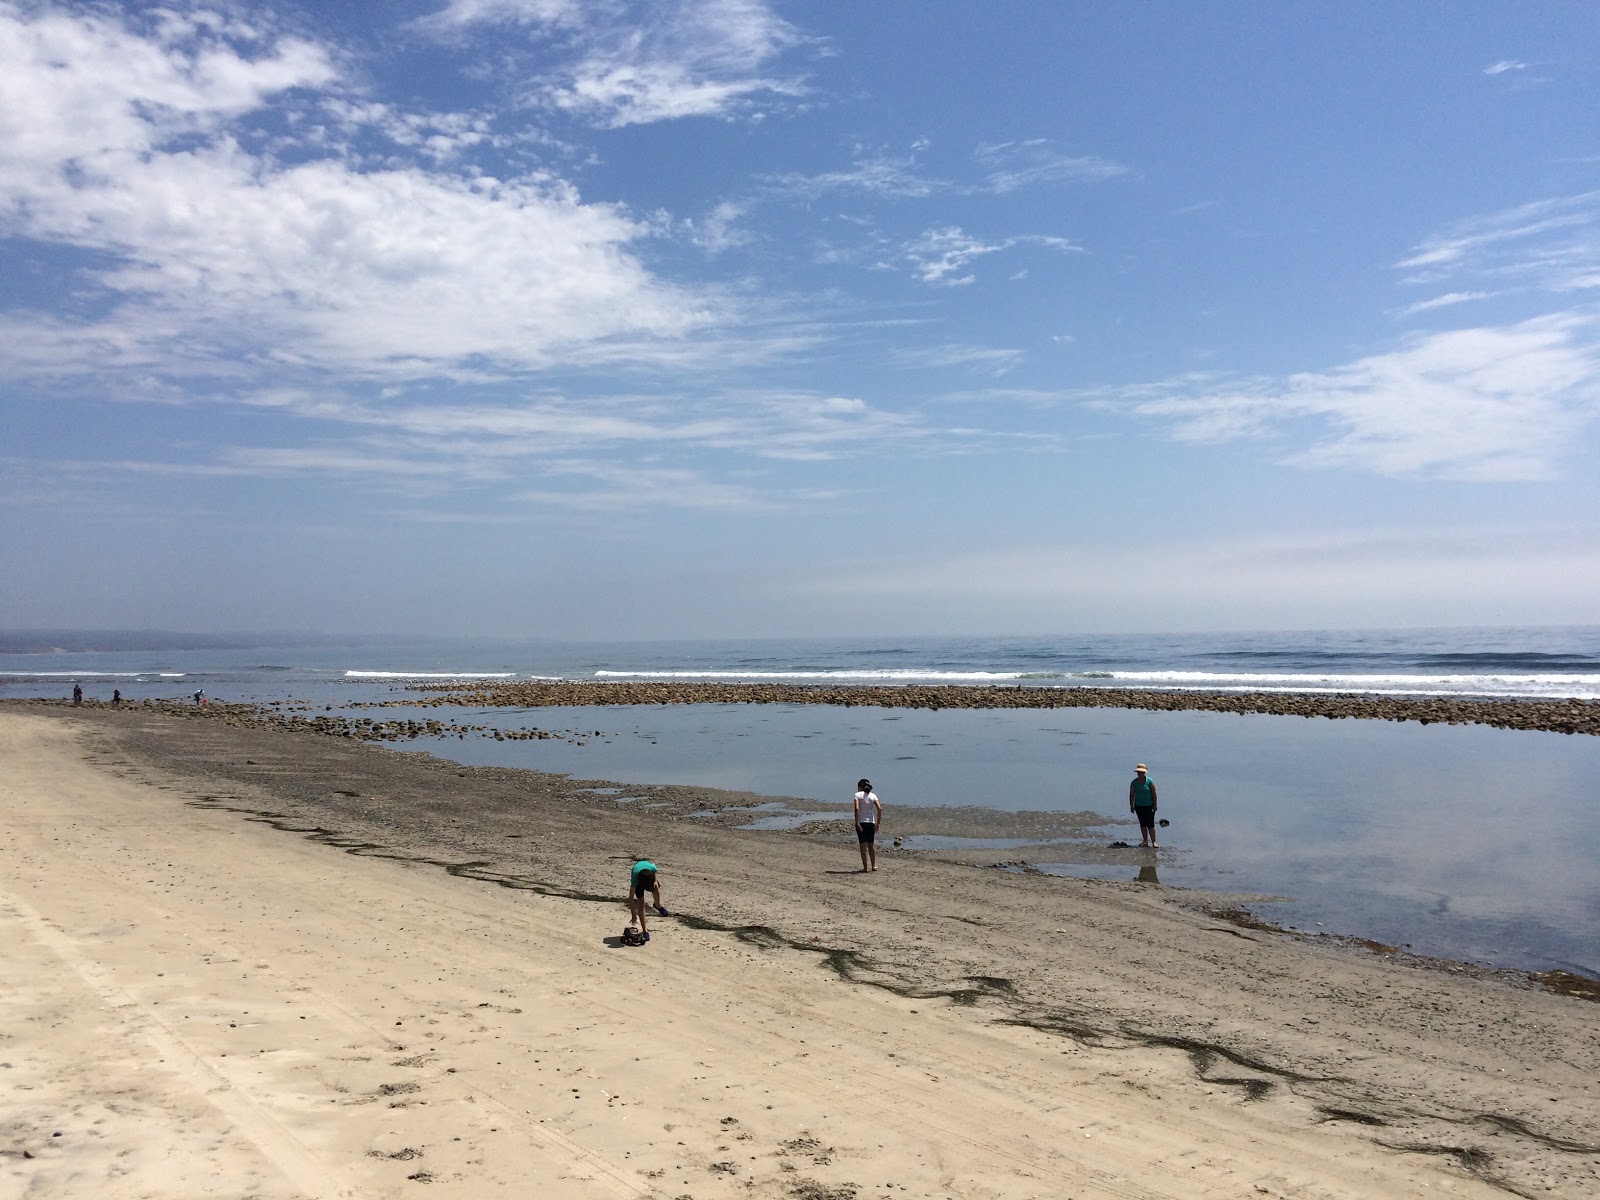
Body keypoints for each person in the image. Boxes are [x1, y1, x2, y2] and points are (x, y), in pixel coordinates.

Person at [626, 858, 667, 941]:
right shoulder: (635, 878)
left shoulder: (652, 868)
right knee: (641, 904)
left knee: (656, 890)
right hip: (640, 880)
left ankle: (657, 905)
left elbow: (655, 871)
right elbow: (631, 898)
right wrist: (633, 915)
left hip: (649, 877)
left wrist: (655, 881)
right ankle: (645, 931)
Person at [853, 778, 883, 872]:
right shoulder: (873, 795)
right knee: (871, 844)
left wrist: (856, 821)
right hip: (871, 822)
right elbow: (879, 809)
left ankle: (865, 868)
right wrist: (878, 823)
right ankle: (874, 865)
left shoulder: (857, 795)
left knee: (863, 845)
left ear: (859, 787)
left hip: (861, 821)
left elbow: (857, 808)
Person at [1129, 763, 1159, 848]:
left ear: (1144, 772)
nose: (1140, 773)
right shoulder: (1134, 783)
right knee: (1142, 824)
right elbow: (1131, 795)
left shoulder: (1149, 781)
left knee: (1150, 824)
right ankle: (1145, 841)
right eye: (1138, 772)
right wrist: (1131, 805)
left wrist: (1155, 804)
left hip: (1149, 805)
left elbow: (1154, 793)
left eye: (1141, 772)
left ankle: (1154, 842)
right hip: (1139, 805)